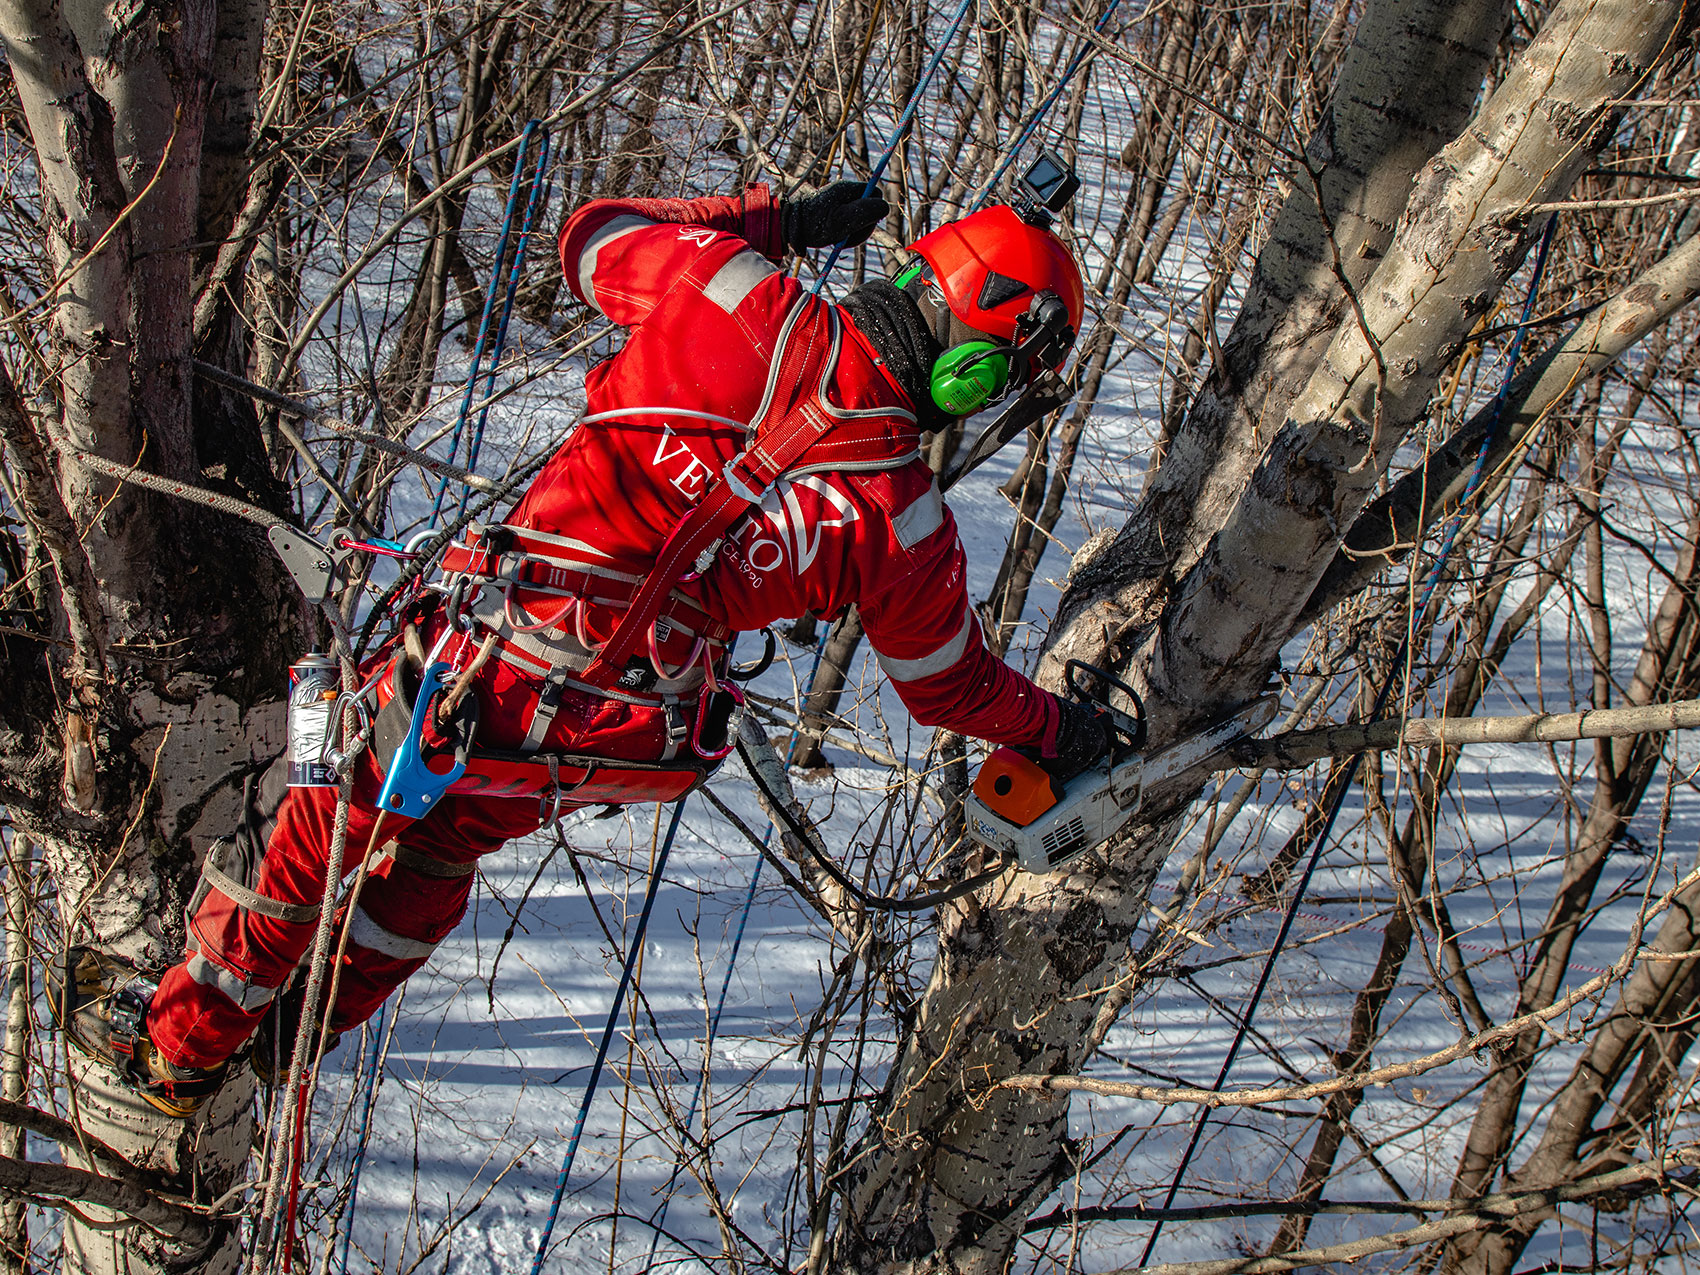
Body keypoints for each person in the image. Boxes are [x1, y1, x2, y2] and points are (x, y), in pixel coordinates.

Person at [55, 178, 1109, 1117]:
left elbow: (592, 235)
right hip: (610, 730)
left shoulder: (724, 285)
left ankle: (179, 1051)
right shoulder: (903, 522)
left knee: (315, 824)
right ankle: (285, 1036)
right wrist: (1057, 728)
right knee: (440, 843)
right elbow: (949, 686)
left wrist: (776, 219)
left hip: (486, 654)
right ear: (973, 366)